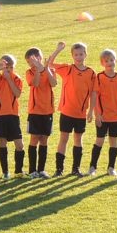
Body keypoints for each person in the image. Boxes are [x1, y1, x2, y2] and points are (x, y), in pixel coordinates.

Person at [47, 42, 96, 177]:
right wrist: (58, 49)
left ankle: (75, 169)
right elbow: (50, 64)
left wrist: (91, 111)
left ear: (86, 54)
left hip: (81, 114)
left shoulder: (91, 73)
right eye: (76, 55)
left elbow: (93, 93)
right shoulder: (68, 69)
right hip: (66, 112)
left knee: (78, 140)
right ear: (72, 56)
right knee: (63, 139)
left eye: (81, 54)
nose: (78, 57)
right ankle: (59, 169)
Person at [88, 49, 117, 176]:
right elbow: (95, 97)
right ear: (102, 63)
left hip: (116, 117)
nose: (109, 63)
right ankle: (92, 167)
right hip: (103, 117)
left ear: (115, 61)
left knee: (113, 142)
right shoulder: (99, 77)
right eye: (106, 61)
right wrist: (97, 114)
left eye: (111, 60)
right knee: (99, 141)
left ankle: (111, 168)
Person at [23, 46, 57, 179]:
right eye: (29, 62)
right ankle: (32, 170)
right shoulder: (29, 72)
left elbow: (53, 83)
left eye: (33, 60)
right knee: (34, 139)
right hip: (35, 111)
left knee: (44, 140)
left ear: (39, 57)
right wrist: (37, 69)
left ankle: (41, 170)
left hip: (48, 111)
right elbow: (35, 84)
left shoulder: (51, 70)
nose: (31, 64)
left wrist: (45, 68)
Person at [0, 54, 25, 179]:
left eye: (10, 67)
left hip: (13, 115)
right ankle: (5, 172)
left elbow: (17, 93)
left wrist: (9, 78)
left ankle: (18, 171)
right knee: (2, 143)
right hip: (0, 116)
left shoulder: (16, 79)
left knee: (19, 145)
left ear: (13, 67)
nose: (8, 69)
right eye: (6, 67)